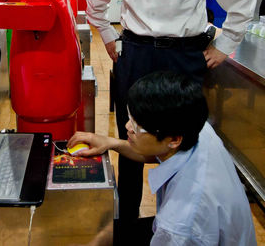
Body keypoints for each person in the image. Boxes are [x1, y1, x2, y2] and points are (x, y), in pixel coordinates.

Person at [86, 0, 257, 222]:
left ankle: (180, 220)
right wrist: (107, 36)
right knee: (131, 137)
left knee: (179, 143)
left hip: (183, 57)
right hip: (134, 54)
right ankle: (129, 221)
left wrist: (225, 44)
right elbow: (95, 1)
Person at [68, 71, 257, 246]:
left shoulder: (178, 225)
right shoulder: (194, 126)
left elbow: (176, 231)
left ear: (174, 139)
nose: (127, 126)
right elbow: (155, 151)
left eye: (136, 125)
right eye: (131, 117)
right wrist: (112, 143)